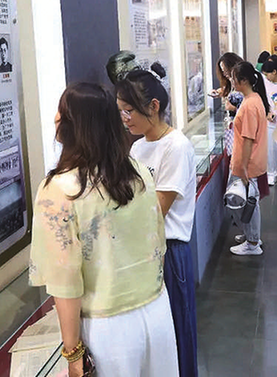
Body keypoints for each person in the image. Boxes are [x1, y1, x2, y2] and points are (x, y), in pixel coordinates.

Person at [29, 83, 179, 377]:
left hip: (108, 329)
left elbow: (66, 282)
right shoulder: (137, 173)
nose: (56, 118)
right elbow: (158, 246)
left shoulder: (60, 189)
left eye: (61, 112)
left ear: (73, 125)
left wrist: (73, 353)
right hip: (157, 311)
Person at [116, 70, 198, 377]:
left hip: (170, 250)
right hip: (145, 249)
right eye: (121, 111)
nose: (125, 119)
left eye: (129, 110)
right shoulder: (137, 147)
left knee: (178, 331)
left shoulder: (176, 146)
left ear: (153, 106)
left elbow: (156, 210)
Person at [229, 61, 271, 256]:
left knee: (246, 203)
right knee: (249, 201)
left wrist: (244, 167)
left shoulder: (249, 105)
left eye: (233, 78)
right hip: (251, 160)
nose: (231, 81)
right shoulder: (253, 99)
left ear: (243, 80)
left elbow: (248, 138)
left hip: (248, 162)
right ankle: (251, 235)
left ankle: (253, 242)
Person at [213, 52, 244, 157]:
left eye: (226, 70)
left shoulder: (241, 82)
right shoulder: (231, 82)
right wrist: (221, 93)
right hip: (233, 126)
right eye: (222, 71)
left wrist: (233, 107)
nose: (224, 73)